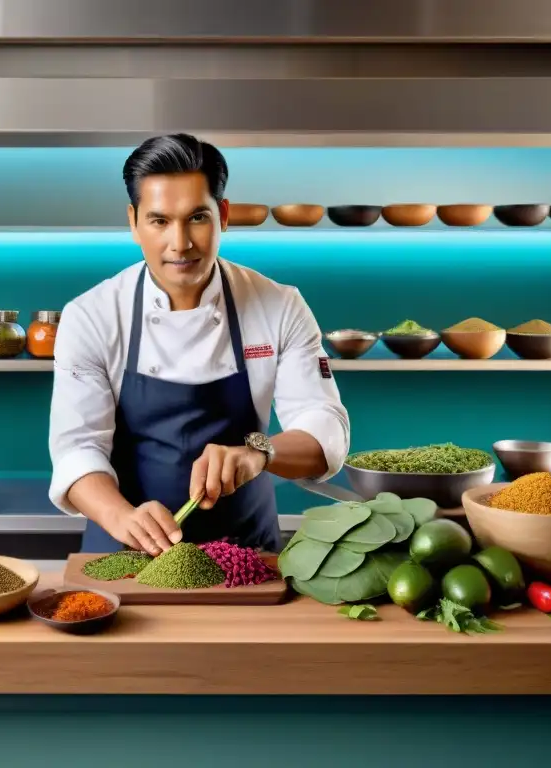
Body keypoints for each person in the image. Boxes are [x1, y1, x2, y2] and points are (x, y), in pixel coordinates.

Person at [48, 133, 350, 555]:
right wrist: (121, 516)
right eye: (159, 221)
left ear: (222, 215)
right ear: (134, 222)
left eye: (197, 218)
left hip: (246, 557)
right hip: (126, 552)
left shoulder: (279, 306)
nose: (180, 243)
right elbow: (78, 448)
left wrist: (257, 453)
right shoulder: (92, 316)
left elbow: (325, 427)